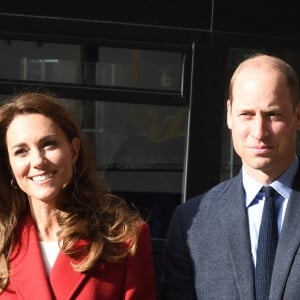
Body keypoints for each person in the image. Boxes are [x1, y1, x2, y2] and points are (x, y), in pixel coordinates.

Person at [160, 53, 300, 299]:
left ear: (297, 116)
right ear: (229, 115)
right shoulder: (192, 222)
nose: (259, 131)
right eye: (246, 114)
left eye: (273, 114)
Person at [0, 92, 156, 299]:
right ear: (10, 166)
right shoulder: (4, 242)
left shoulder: (123, 239)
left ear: (73, 151)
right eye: (21, 151)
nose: (38, 160)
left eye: (49, 144)